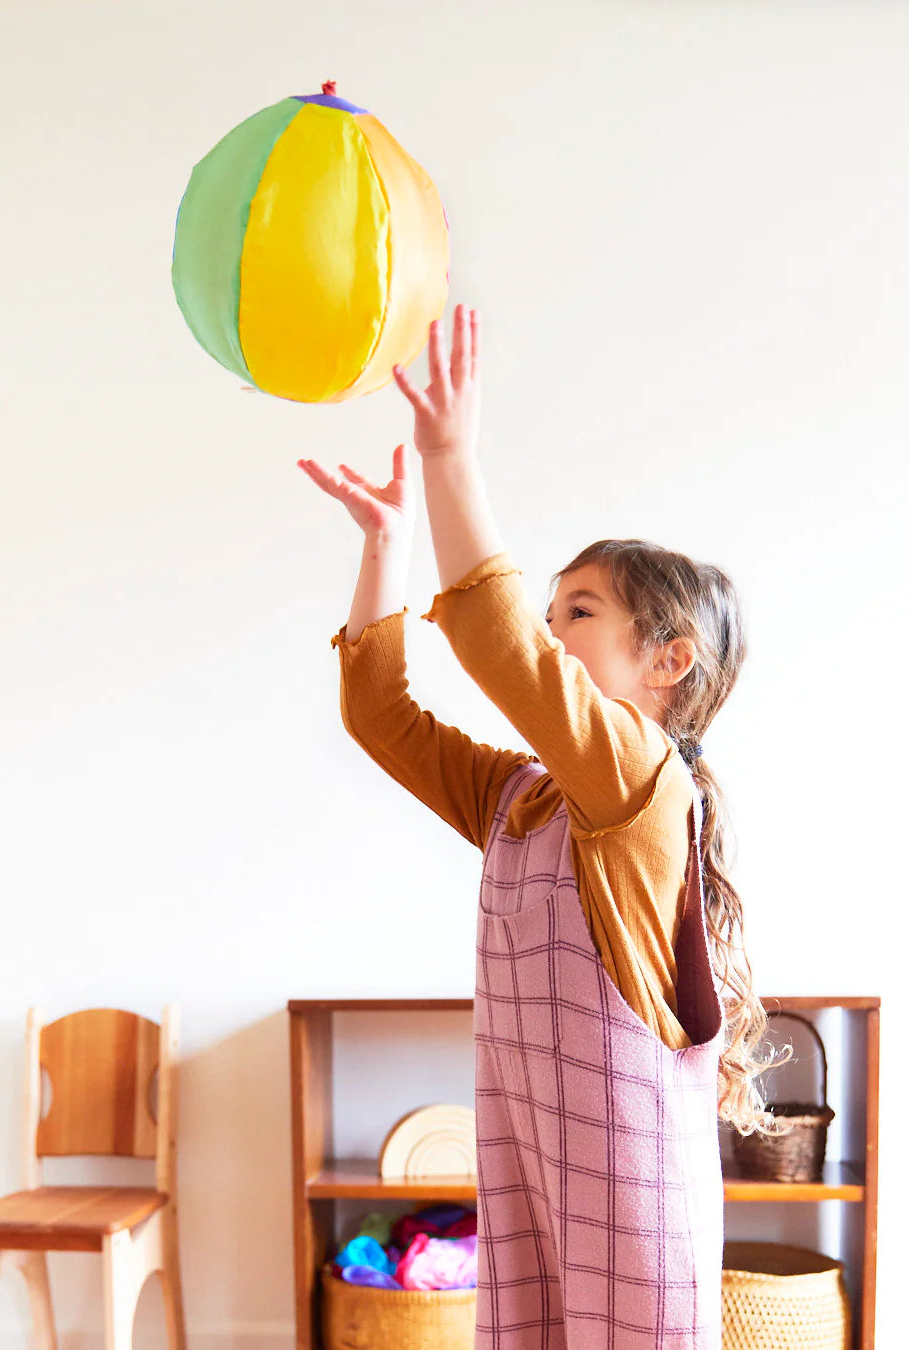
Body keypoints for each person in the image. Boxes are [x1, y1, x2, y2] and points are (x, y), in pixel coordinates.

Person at [298, 303, 773, 1349]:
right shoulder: (522, 796)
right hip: (530, 1166)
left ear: (668, 661)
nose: (553, 634)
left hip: (630, 1182)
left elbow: (503, 650)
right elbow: (382, 720)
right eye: (552, 611)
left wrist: (449, 457)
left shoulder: (641, 788)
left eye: (579, 613)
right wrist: (389, 545)